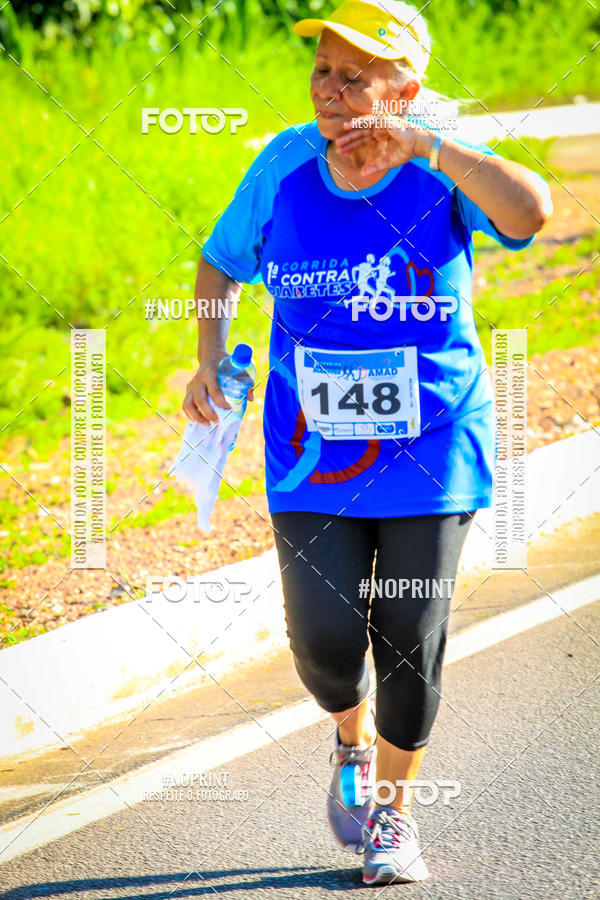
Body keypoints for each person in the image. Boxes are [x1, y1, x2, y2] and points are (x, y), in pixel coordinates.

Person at [183, 0, 552, 885]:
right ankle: (347, 740)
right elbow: (217, 264)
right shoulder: (283, 166)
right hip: (312, 450)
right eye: (323, 71)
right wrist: (205, 359)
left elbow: (533, 213)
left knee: (410, 634)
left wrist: (428, 145)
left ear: (407, 90)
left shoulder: (442, 165)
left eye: (356, 76)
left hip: (434, 446)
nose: (332, 91)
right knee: (321, 643)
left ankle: (393, 817)